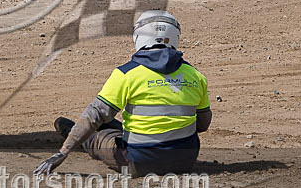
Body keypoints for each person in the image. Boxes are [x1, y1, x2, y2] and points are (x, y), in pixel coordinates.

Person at [35, 10, 211, 177]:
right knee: (114, 124)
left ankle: (71, 132)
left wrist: (62, 152)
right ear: (175, 36)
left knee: (98, 138)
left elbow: (93, 115)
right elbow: (203, 125)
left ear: (138, 37)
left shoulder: (126, 74)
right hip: (185, 162)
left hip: (138, 163)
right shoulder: (196, 76)